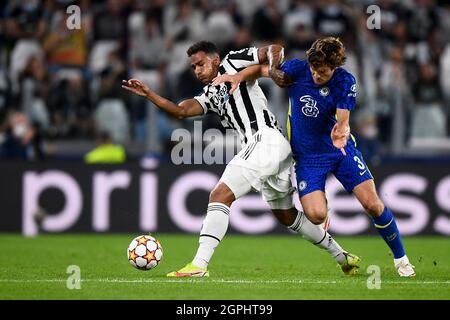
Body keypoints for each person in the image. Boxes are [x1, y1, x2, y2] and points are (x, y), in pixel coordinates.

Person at [122, 41, 360, 277]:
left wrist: (275, 70)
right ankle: (342, 256)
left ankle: (199, 265)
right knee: (286, 215)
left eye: (200, 64)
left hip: (265, 140)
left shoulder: (234, 61)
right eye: (193, 67)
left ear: (215, 60)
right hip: (272, 149)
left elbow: (274, 49)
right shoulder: (210, 94)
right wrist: (150, 95)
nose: (197, 71)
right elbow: (181, 111)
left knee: (219, 195)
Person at [213, 37, 415, 277]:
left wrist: (342, 130)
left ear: (334, 67)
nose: (316, 75)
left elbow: (343, 119)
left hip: (339, 150)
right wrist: (237, 77)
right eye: (314, 69)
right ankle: (325, 209)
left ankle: (401, 259)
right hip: (307, 157)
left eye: (322, 72)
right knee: (316, 214)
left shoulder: (344, 80)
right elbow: (261, 69)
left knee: (373, 204)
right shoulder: (298, 69)